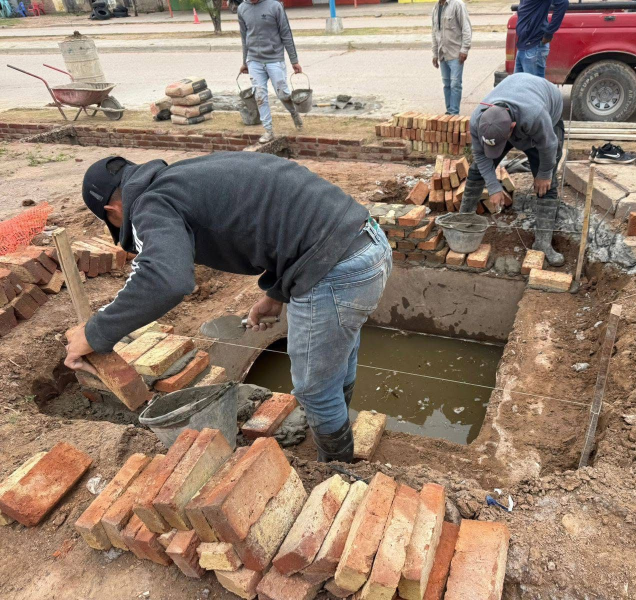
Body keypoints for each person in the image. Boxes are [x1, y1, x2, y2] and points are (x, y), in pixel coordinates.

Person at [66, 152, 392, 463]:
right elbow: (283, 218)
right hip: (364, 240)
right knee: (334, 363)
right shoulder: (183, 178)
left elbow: (166, 278)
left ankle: (334, 467)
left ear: (112, 208)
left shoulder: (149, 204)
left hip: (337, 267)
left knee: (314, 389)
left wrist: (94, 334)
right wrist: (276, 294)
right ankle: (334, 420)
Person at [460, 73, 565, 266]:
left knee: (547, 183)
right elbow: (481, 156)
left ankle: (543, 243)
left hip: (546, 113)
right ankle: (462, 224)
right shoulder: (478, 119)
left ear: (512, 128)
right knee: (476, 171)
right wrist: (493, 186)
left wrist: (543, 173)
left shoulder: (535, 116)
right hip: (511, 112)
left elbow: (549, 145)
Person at [238, 0, 304, 143]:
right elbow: (244, 37)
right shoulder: (242, 8)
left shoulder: (275, 6)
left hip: (275, 58)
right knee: (259, 95)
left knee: (283, 93)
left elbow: (286, 33)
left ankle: (293, 112)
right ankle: (268, 130)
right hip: (254, 60)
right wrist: (244, 62)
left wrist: (294, 61)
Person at [431, 0, 472, 115]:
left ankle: (454, 113)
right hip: (442, 53)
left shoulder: (457, 5)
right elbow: (434, 33)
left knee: (455, 84)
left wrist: (464, 49)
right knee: (447, 84)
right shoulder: (436, 8)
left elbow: (466, 28)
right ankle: (449, 111)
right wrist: (435, 53)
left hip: (455, 53)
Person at [514, 0, 568, 77]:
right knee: (518, 83)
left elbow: (563, 3)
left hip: (534, 46)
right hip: (523, 45)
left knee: (533, 84)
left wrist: (549, 33)